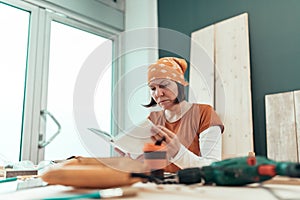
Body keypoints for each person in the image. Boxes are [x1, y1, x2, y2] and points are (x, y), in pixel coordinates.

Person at [144, 57, 224, 173]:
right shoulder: (152, 119)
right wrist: (133, 158)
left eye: (164, 85)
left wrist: (178, 152)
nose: (158, 94)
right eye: (152, 88)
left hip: (195, 187)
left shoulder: (204, 113)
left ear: (179, 84)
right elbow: (152, 167)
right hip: (162, 186)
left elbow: (212, 166)